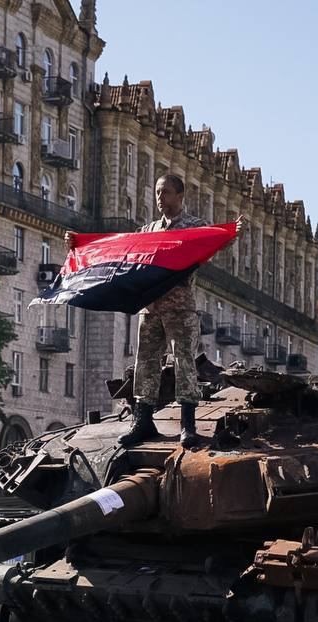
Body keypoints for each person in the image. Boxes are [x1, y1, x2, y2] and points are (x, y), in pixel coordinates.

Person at [67, 175, 244, 450]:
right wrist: (81, 244)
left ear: (180, 196)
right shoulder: (149, 230)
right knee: (145, 363)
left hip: (180, 309)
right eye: (158, 192)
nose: (160, 197)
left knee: (184, 363)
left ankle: (188, 425)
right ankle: (143, 422)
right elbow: (122, 249)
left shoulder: (192, 227)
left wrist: (232, 232)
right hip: (150, 309)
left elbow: (215, 241)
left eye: (166, 192)